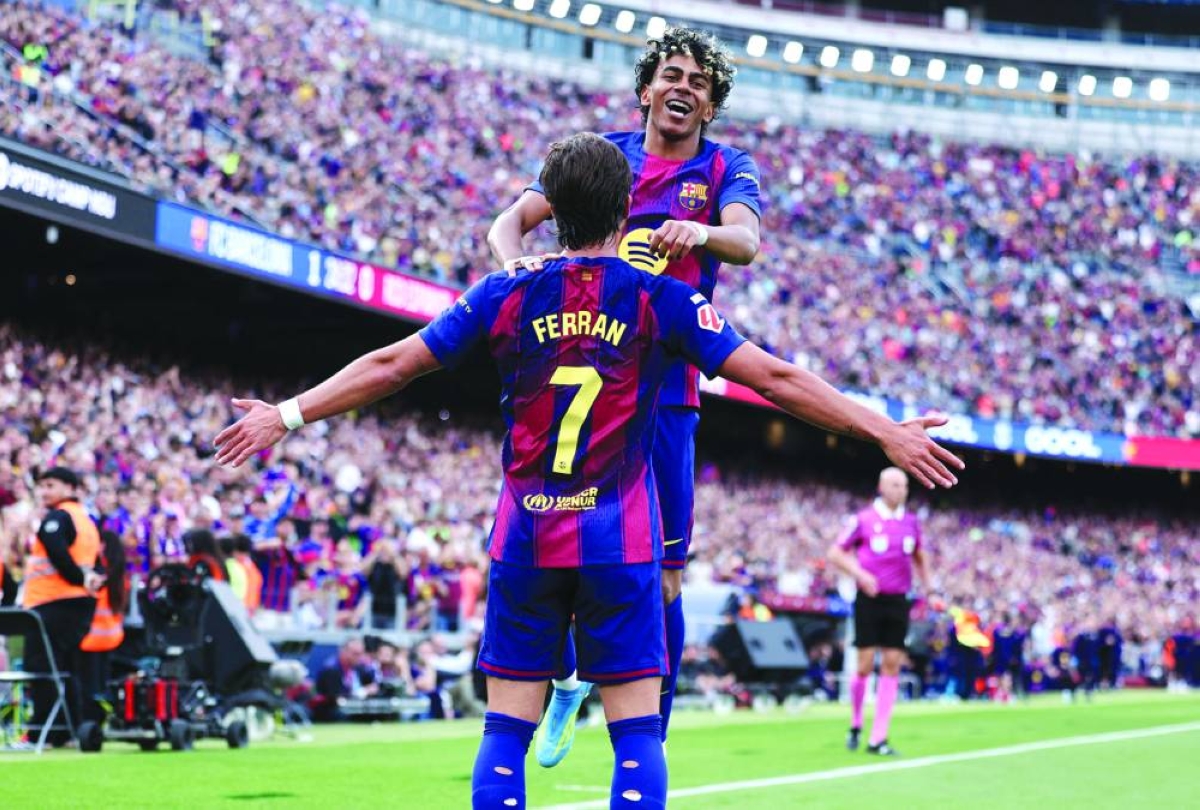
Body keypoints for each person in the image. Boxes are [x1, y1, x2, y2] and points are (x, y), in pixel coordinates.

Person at [214, 132, 962, 808]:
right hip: (619, 542)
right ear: (629, 204)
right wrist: (881, 430)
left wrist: (284, 416)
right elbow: (776, 380)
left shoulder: (504, 291)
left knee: (504, 734)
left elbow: (393, 364)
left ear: (552, 209)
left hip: (526, 540)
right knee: (637, 739)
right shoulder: (660, 298)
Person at [487, 26, 761, 764]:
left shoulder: (726, 166)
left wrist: (697, 232)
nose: (684, 88)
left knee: (665, 572)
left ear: (712, 103)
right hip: (571, 378)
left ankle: (647, 740)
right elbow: (508, 223)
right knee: (556, 542)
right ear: (645, 88)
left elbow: (746, 242)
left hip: (664, 390)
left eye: (700, 83)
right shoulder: (603, 159)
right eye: (672, 74)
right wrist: (517, 272)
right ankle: (567, 678)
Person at [827, 467, 933, 757]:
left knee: (892, 663)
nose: (902, 490)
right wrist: (860, 575)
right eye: (896, 485)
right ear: (882, 487)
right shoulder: (863, 519)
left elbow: (920, 557)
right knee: (863, 665)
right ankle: (856, 723)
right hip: (869, 599)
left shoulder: (911, 522)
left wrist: (930, 588)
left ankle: (878, 738)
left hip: (899, 601)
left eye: (905, 485)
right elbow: (835, 553)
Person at [22, 467, 100, 745]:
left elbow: (55, 549)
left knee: (42, 666)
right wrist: (90, 580)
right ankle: (70, 727)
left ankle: (43, 730)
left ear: (70, 488)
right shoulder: (86, 520)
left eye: (50, 485)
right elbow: (98, 562)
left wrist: (79, 578)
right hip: (79, 603)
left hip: (53, 602)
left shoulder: (58, 517)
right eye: (41, 486)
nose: (44, 492)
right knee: (67, 667)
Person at [79, 530, 127, 723]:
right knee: (102, 685)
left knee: (89, 687)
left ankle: (90, 722)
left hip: (91, 638)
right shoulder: (119, 576)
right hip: (112, 637)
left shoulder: (97, 574)